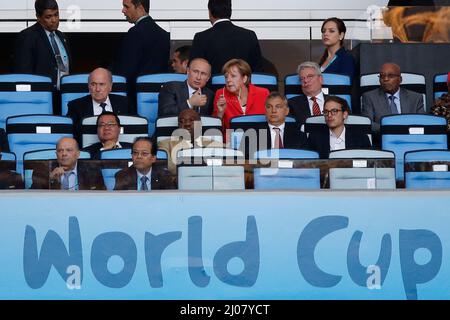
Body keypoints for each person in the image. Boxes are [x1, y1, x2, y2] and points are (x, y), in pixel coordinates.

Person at [114, 0, 170, 105]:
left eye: (126, 6)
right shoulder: (164, 34)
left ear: (140, 7)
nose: (123, 10)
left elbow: (126, 71)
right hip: (160, 98)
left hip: (135, 99)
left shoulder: (134, 33)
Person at [190, 0, 263, 75]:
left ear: (210, 12)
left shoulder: (201, 38)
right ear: (230, 11)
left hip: (212, 86)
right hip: (243, 86)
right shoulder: (250, 35)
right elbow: (258, 72)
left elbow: (194, 71)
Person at [13, 0, 71, 89]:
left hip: (63, 94)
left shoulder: (61, 36)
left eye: (56, 15)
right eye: (48, 17)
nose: (54, 20)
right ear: (38, 17)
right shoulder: (28, 36)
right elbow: (24, 73)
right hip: (42, 94)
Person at [67, 68, 132, 145]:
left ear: (110, 86)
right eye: (93, 84)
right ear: (88, 86)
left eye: (101, 84)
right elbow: (72, 136)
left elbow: (134, 130)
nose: (97, 89)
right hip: (89, 151)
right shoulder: (75, 106)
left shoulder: (124, 103)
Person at [239, 92, 308, 159]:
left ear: (287, 111)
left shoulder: (300, 136)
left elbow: (304, 161)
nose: (273, 111)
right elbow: (247, 161)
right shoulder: (252, 135)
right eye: (269, 107)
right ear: (265, 111)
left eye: (278, 107)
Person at [361, 62, 425, 133]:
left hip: (410, 139)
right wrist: (392, 130)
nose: (385, 79)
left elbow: (422, 122)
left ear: (400, 79)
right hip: (383, 139)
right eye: (382, 76)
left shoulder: (415, 98)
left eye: (390, 76)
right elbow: (368, 123)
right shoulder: (369, 97)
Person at [158, 109, 223, 174]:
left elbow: (223, 167)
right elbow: (165, 168)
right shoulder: (165, 145)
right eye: (182, 121)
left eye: (191, 120)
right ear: (178, 126)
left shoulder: (215, 145)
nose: (187, 124)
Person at [213, 59, 269, 132]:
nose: (228, 80)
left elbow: (271, 122)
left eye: (233, 76)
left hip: (259, 138)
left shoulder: (263, 94)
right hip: (231, 140)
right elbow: (215, 130)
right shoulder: (220, 94)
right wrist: (220, 113)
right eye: (226, 77)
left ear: (244, 79)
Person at [307, 96, 371, 159]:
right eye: (326, 112)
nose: (329, 115)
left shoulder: (361, 138)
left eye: (334, 111)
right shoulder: (314, 138)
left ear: (344, 114)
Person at [31, 137, 105, 190]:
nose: (64, 154)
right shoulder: (42, 170)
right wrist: (50, 179)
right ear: (56, 154)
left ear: (78, 154)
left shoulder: (92, 171)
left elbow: (102, 196)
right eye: (60, 150)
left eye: (69, 150)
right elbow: (31, 195)